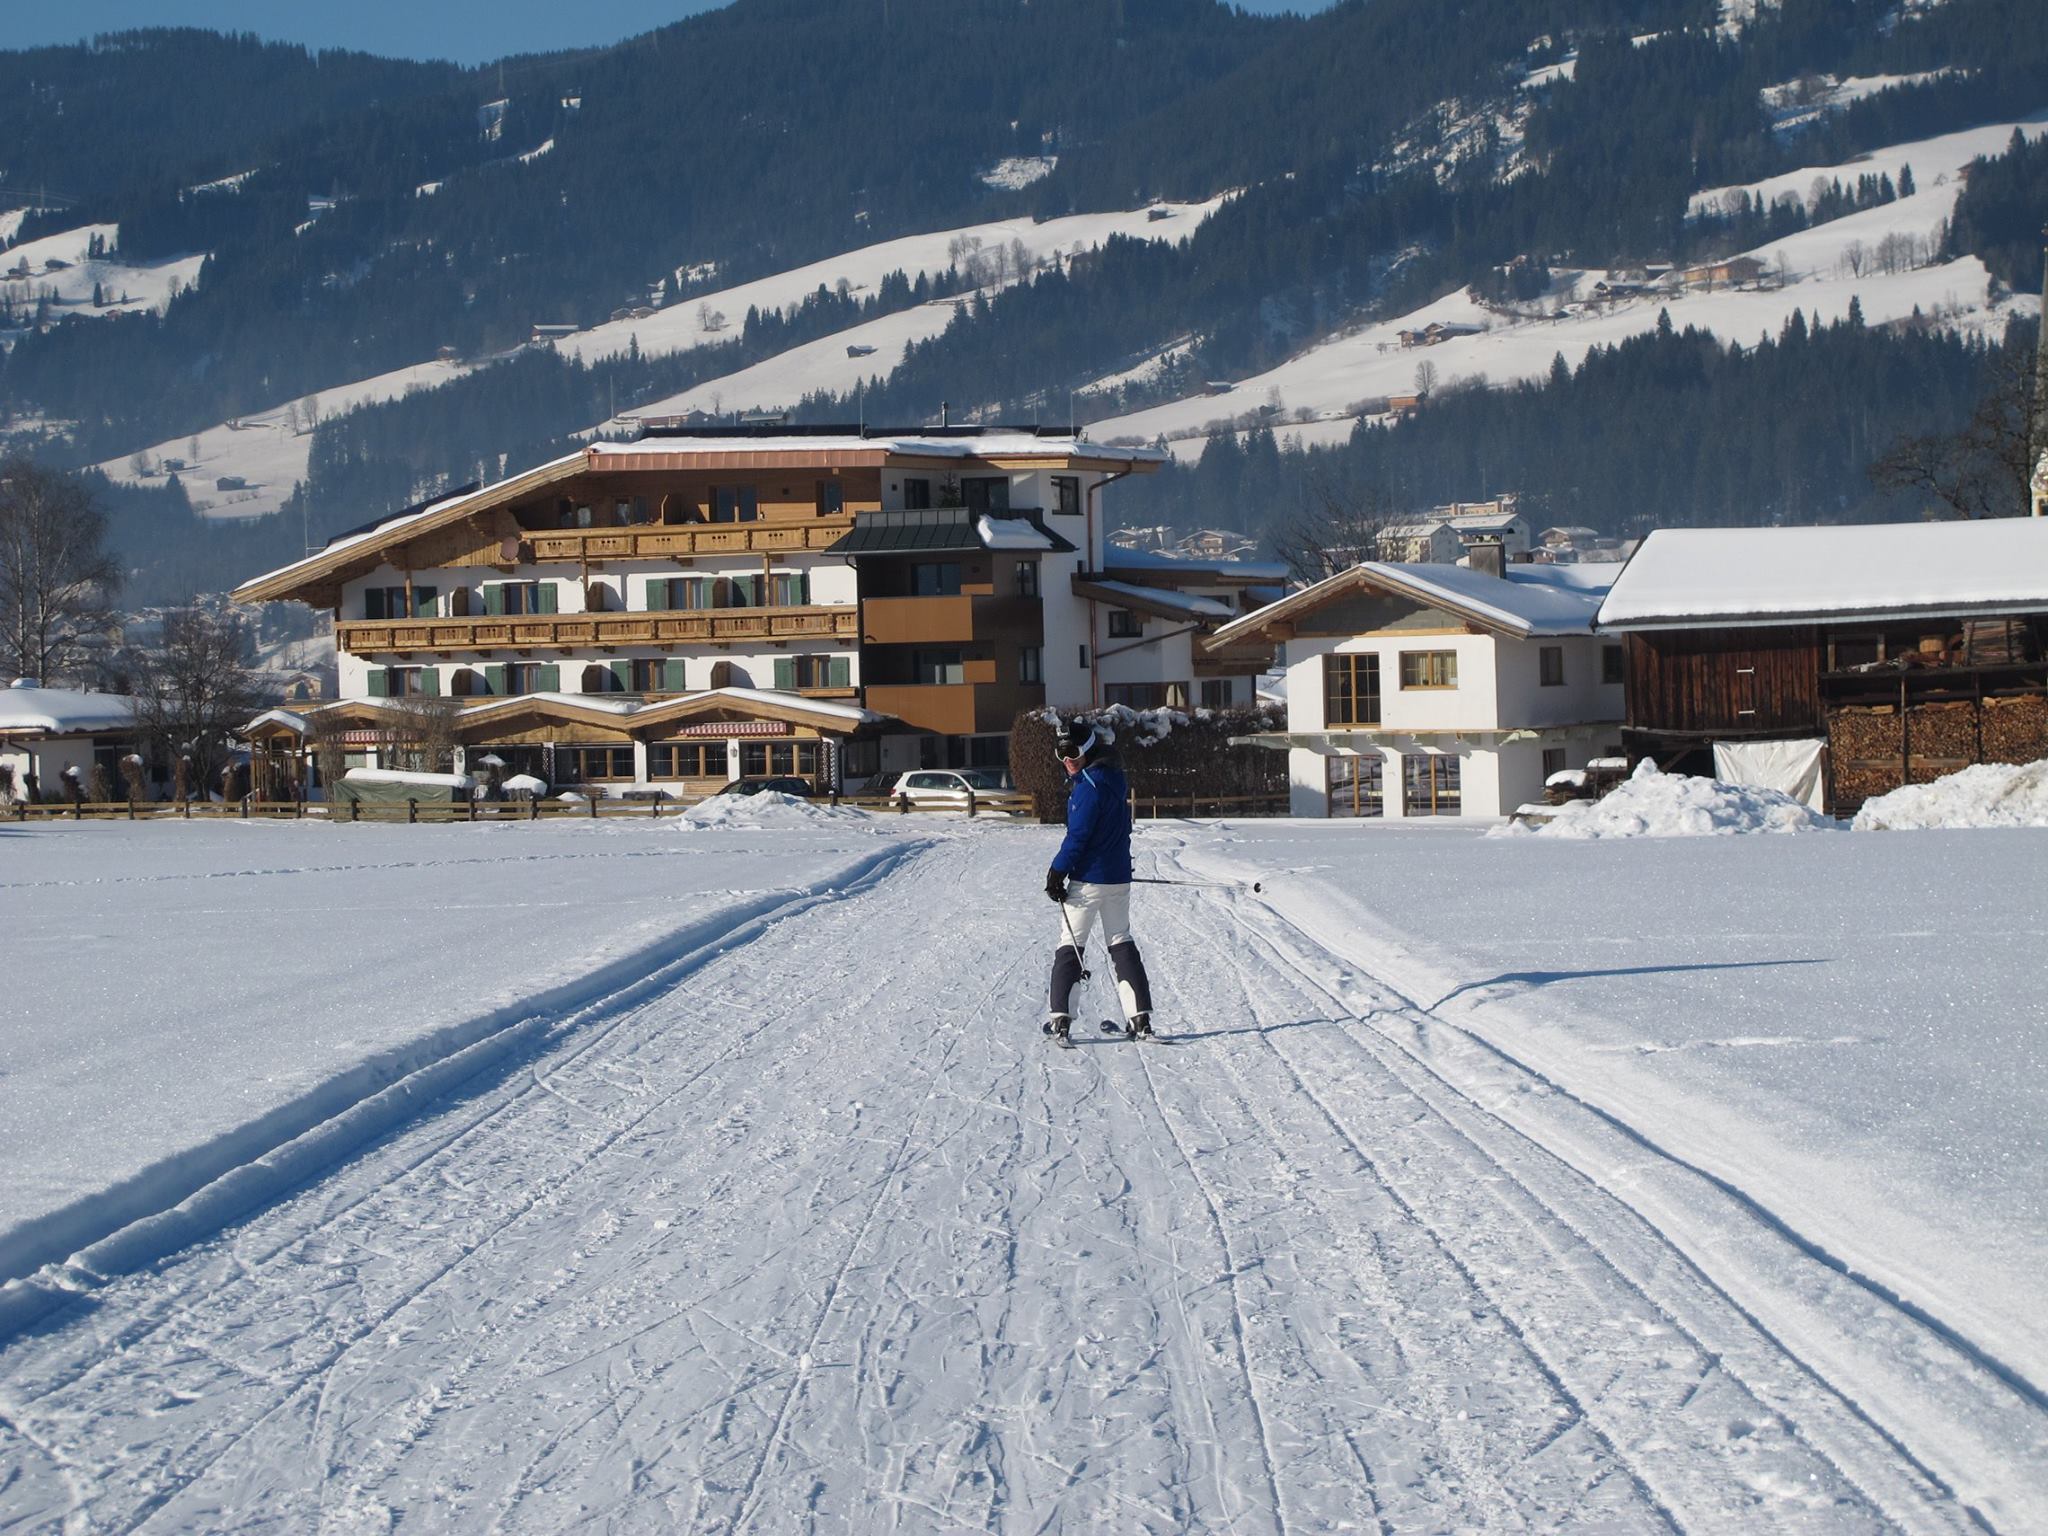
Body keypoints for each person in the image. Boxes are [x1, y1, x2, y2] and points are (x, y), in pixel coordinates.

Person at [1044, 719, 1155, 1044]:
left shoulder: (1087, 788)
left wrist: (1056, 872)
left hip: (1088, 882)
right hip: (1118, 880)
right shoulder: (1113, 778)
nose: (1068, 760)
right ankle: (1140, 1019)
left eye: (1073, 753)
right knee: (1120, 939)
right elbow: (1122, 831)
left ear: (1089, 749)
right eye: (1061, 754)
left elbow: (1077, 836)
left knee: (1071, 943)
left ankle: (1061, 1021)